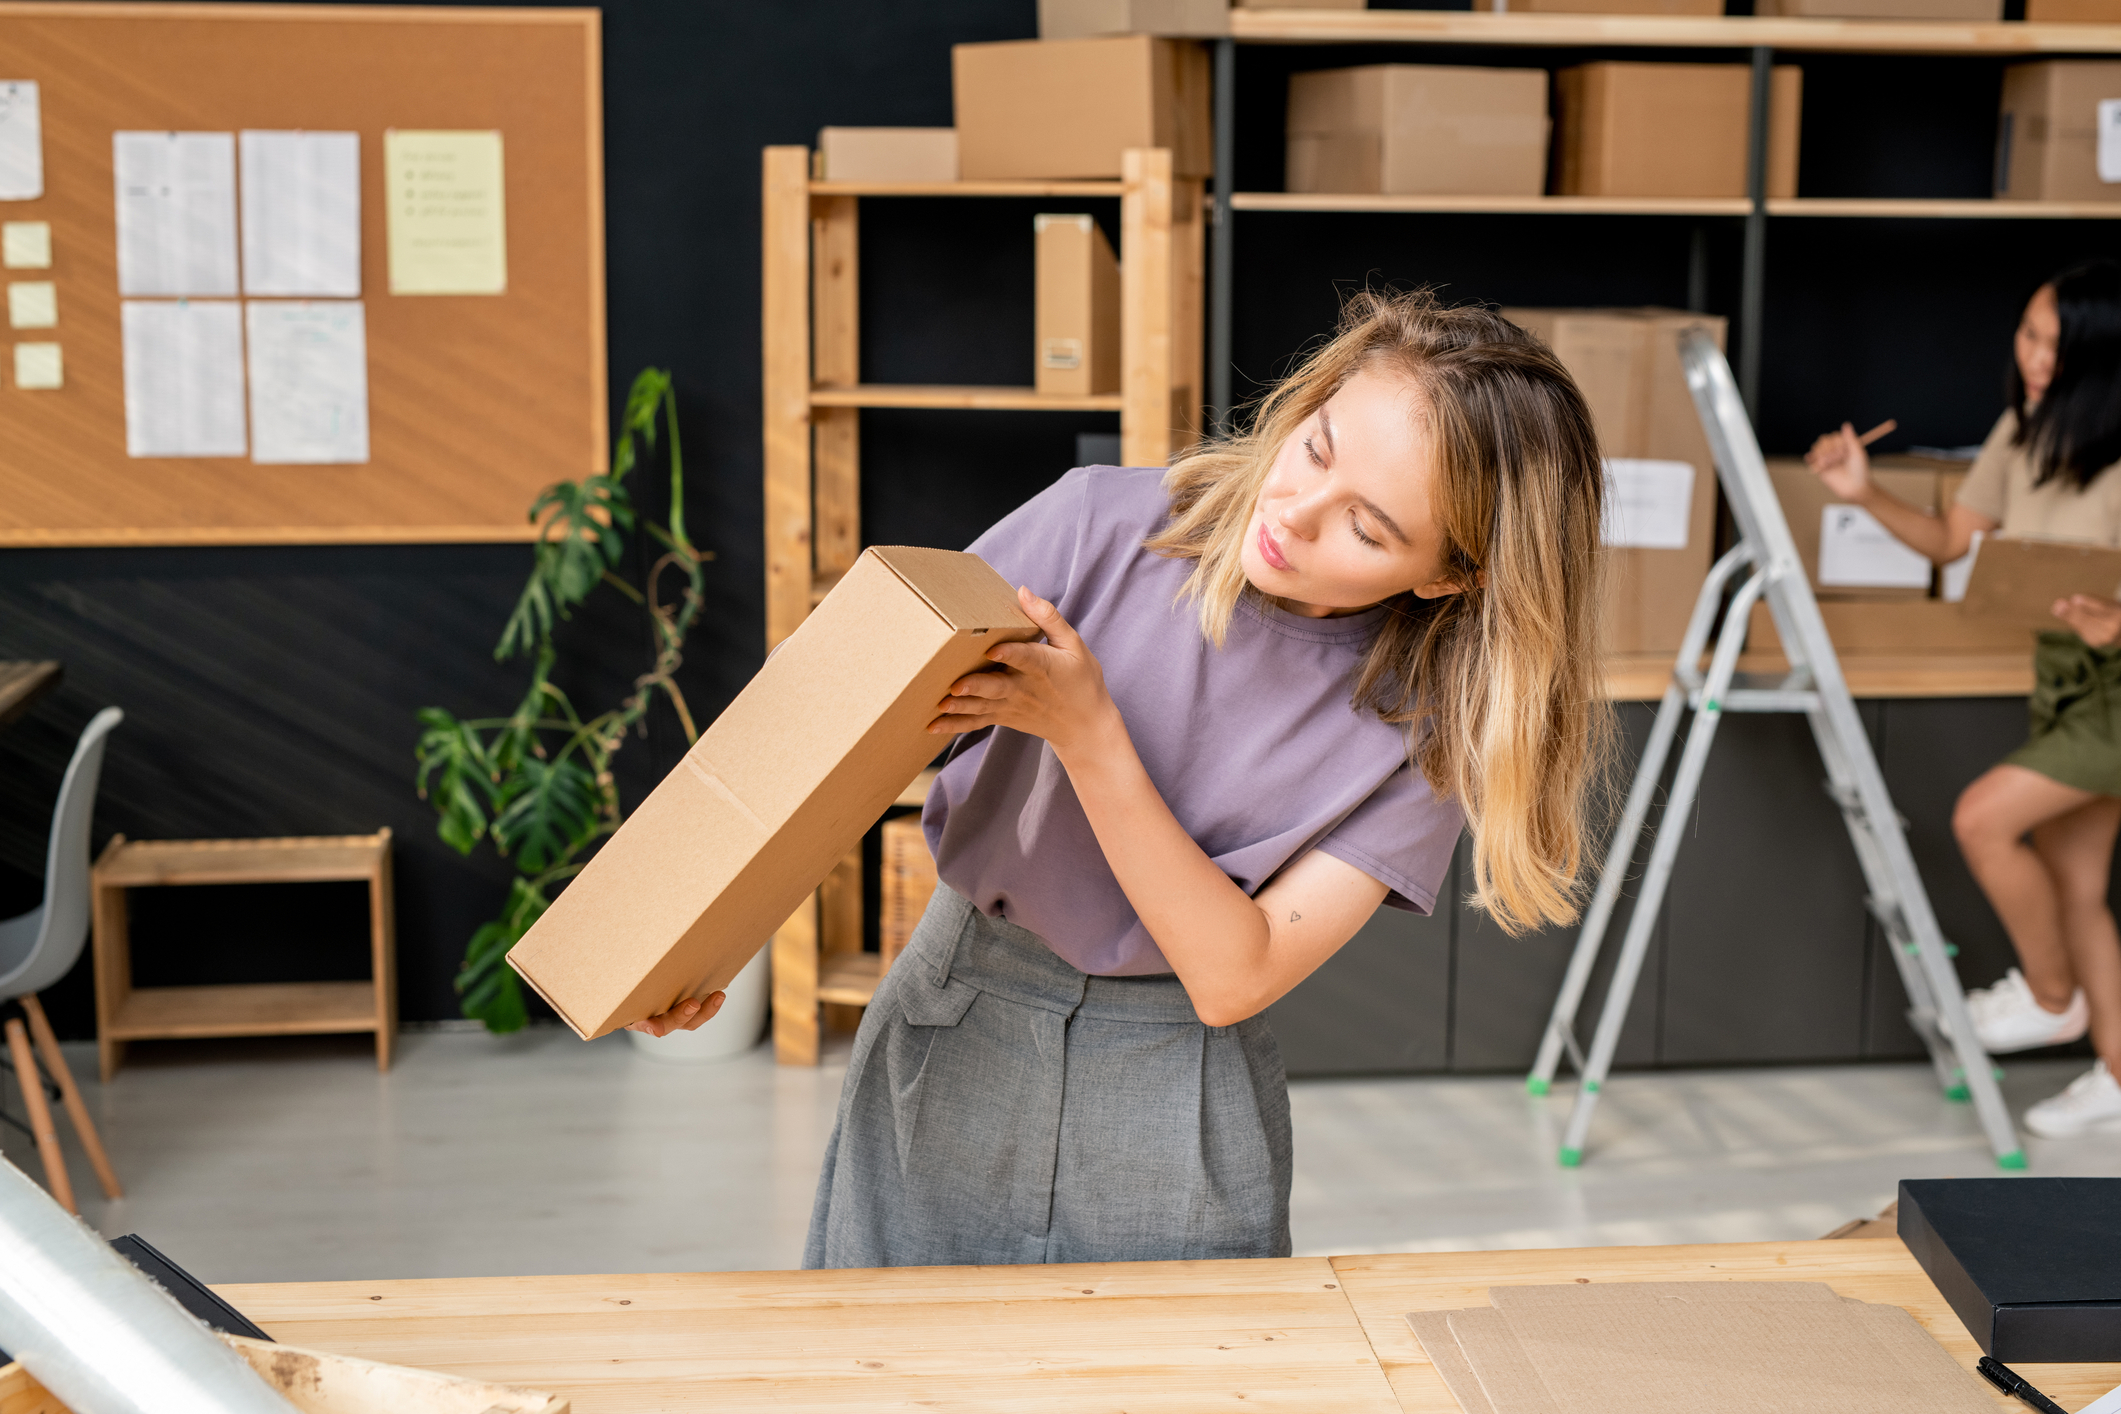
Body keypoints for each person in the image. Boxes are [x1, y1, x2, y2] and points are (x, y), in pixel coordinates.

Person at [639, 290, 1610, 1264]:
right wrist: (699, 935)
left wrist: (1089, 734)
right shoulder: (1099, 523)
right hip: (957, 1015)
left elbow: (1236, 976)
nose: (1294, 511)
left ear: (1450, 574)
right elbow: (840, 723)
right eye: (1317, 447)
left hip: (1176, 1089)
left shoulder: (1425, 732)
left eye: (1369, 527)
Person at [1805, 259, 2121, 1139]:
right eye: (2027, 334)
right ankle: (2118, 1075)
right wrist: (1862, 491)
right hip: (2064, 681)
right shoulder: (2021, 431)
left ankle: (2052, 997)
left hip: (2117, 688)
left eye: (2056, 345)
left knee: (1983, 818)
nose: (2033, 356)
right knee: (2075, 883)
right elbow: (1950, 541)